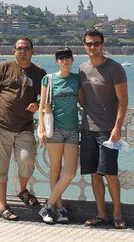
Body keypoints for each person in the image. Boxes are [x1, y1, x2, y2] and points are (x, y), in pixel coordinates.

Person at [0, 38, 46, 221]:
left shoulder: (39, 72)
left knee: (27, 160)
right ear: (14, 51)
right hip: (0, 126)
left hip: (25, 127)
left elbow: (46, 98)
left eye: (26, 48)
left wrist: (37, 104)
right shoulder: (4, 68)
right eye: (19, 48)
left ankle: (22, 190)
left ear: (33, 51)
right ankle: (3, 206)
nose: (23, 51)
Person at [79, 29, 128, 229]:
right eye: (89, 44)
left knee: (110, 173)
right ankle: (101, 214)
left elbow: (123, 99)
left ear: (103, 44)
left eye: (96, 43)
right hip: (87, 128)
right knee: (94, 174)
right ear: (84, 46)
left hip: (108, 130)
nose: (93, 47)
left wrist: (118, 127)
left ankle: (117, 213)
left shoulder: (115, 68)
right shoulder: (82, 68)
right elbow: (81, 97)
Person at [37, 47, 84, 224]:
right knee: (56, 170)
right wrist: (41, 129)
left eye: (67, 57)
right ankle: (59, 209)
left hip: (72, 130)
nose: (64, 60)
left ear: (72, 60)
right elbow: (42, 106)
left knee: (70, 172)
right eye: (61, 58)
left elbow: (83, 102)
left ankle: (47, 207)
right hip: (54, 130)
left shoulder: (76, 79)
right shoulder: (48, 79)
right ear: (56, 61)